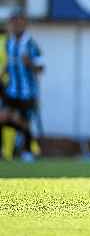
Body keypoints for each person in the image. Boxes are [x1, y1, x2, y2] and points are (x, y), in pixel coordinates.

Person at [2, 9, 44, 161]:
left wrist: (29, 64)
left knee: (24, 122)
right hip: (11, 90)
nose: (15, 25)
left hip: (27, 92)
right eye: (13, 22)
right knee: (4, 117)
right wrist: (3, 72)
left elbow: (41, 68)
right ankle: (7, 151)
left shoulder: (31, 44)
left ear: (24, 24)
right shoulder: (9, 42)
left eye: (18, 22)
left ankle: (27, 152)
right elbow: (10, 63)